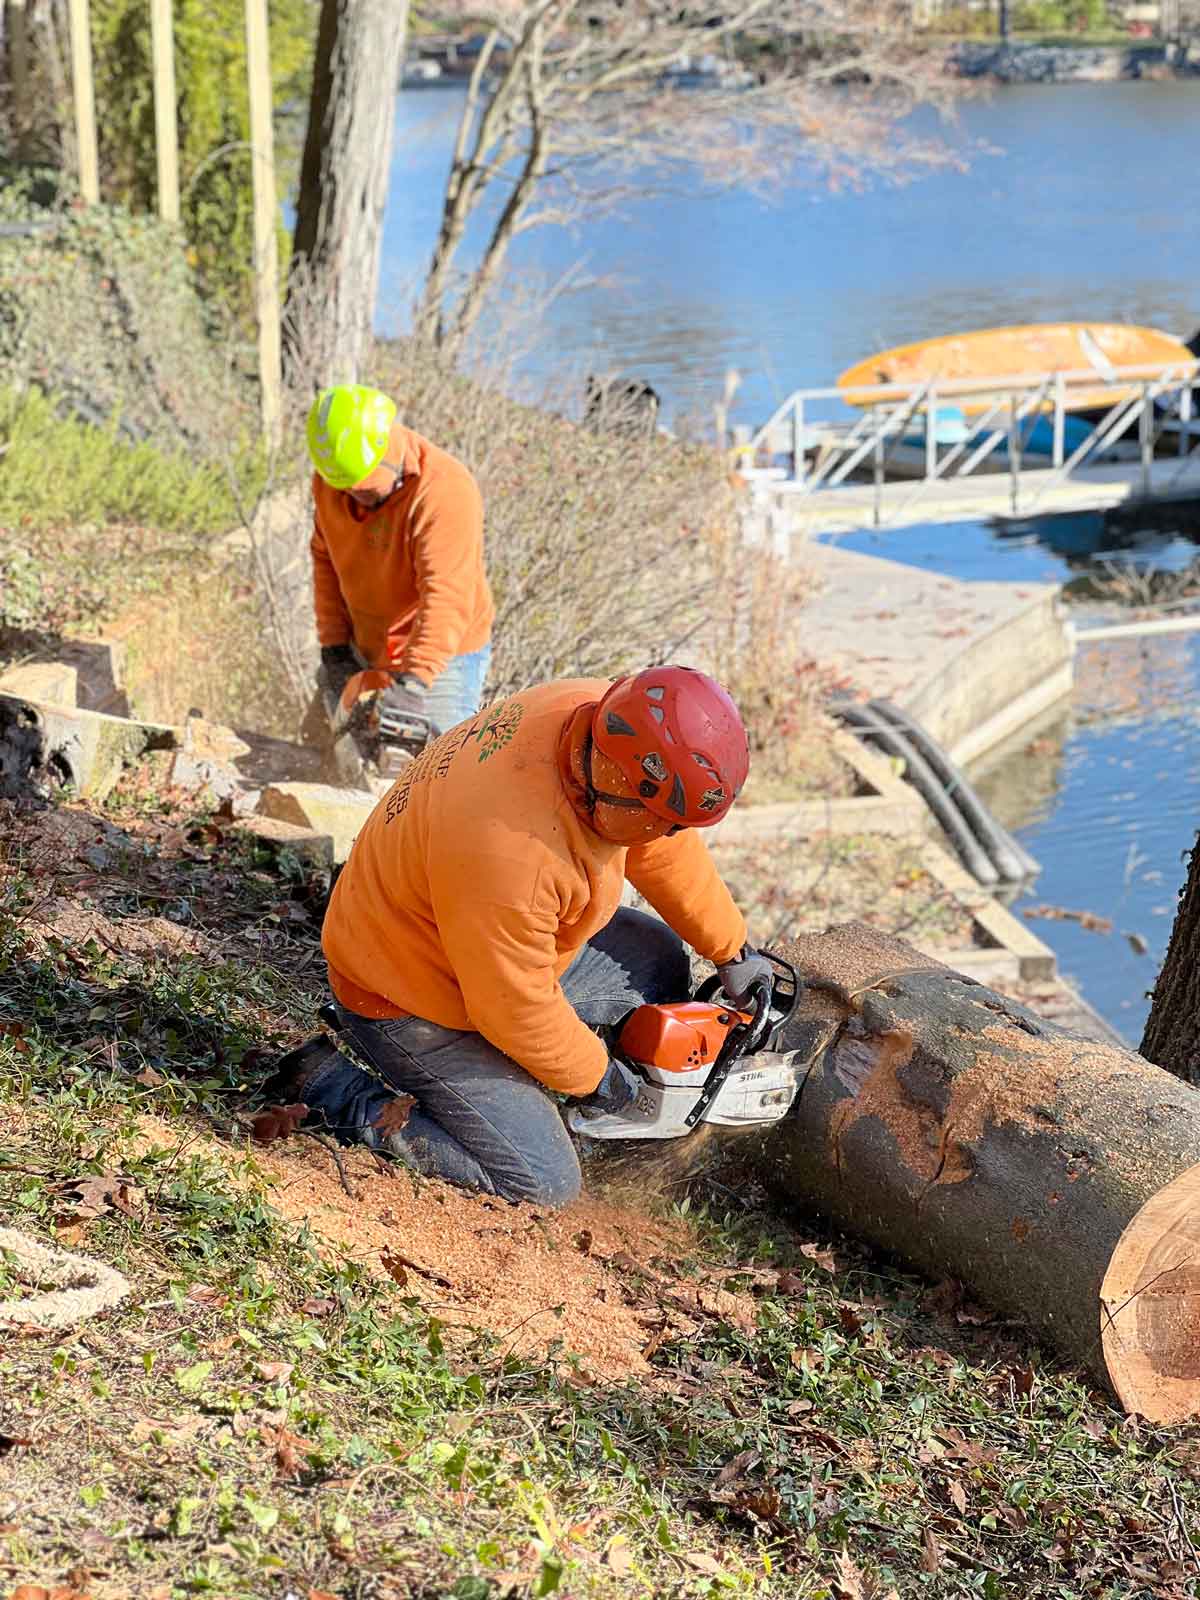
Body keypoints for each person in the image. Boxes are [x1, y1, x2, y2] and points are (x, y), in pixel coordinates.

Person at [268, 665, 773, 1208]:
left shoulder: (602, 722)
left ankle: (556, 1088)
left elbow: (659, 838)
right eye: (659, 820)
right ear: (617, 784)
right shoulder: (511, 853)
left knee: (655, 960)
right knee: (542, 1183)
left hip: (471, 941)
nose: (664, 833)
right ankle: (336, 1090)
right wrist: (606, 1082)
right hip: (407, 997)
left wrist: (731, 949)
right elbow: (514, 1007)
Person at [303, 384, 495, 769]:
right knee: (323, 753)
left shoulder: (444, 492)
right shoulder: (333, 480)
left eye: (367, 492)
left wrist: (414, 683)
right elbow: (326, 560)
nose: (355, 500)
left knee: (441, 775)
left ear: (390, 450)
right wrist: (335, 647)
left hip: (441, 655)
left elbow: (446, 596)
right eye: (347, 489)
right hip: (365, 642)